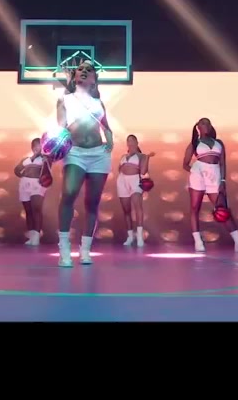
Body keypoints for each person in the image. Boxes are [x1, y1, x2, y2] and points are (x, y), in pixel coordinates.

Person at [52, 61, 113, 267]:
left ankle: (85, 249)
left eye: (89, 69)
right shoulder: (65, 99)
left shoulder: (98, 101)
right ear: (75, 76)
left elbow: (106, 126)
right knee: (69, 194)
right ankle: (64, 248)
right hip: (75, 153)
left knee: (92, 202)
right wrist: (53, 148)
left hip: (98, 154)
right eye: (80, 69)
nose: (85, 71)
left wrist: (110, 138)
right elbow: (61, 127)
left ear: (94, 78)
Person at [182, 117, 238, 252]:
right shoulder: (194, 143)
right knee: (195, 208)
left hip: (214, 174)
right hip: (198, 173)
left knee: (223, 210)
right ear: (198, 127)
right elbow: (184, 164)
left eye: (208, 123)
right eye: (203, 123)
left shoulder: (218, 143)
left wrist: (223, 181)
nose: (206, 125)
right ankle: (198, 241)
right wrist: (195, 171)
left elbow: (222, 163)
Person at [116, 135, 155, 246]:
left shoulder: (141, 156)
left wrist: (148, 158)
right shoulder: (123, 156)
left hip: (134, 181)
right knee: (126, 210)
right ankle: (130, 236)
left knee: (138, 208)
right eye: (128, 141)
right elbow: (119, 169)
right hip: (122, 180)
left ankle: (140, 237)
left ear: (137, 143)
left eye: (132, 140)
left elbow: (143, 171)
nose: (130, 143)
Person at [14, 137, 49, 246]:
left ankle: (37, 237)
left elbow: (48, 171)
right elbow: (17, 170)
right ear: (33, 147)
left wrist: (45, 160)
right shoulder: (26, 159)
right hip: (25, 184)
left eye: (40, 146)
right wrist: (23, 174)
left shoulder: (45, 159)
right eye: (36, 146)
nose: (38, 148)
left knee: (36, 209)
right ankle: (31, 236)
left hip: (37, 184)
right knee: (28, 211)